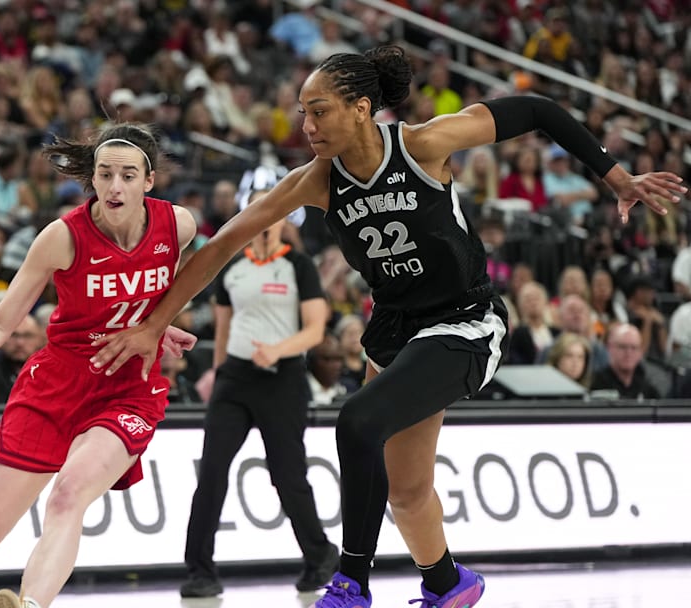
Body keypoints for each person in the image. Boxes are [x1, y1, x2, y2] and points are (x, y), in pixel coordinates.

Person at [91, 46, 684, 608]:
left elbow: (539, 109)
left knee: (358, 421)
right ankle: (448, 583)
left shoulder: (426, 144)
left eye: (318, 112)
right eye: (303, 114)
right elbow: (221, 246)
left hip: (464, 319)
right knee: (406, 491)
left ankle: (350, 580)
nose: (308, 126)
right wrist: (153, 323)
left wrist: (614, 177)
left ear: (360, 109)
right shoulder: (315, 181)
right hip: (394, 329)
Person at [0, 123, 199, 608]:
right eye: (105, 174)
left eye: (128, 176)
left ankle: (29, 604)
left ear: (148, 182)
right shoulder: (61, 238)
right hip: (59, 380)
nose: (115, 187)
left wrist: (154, 323)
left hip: (128, 388)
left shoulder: (179, 225)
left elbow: (175, 281)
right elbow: (2, 324)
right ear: (91, 178)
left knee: (69, 495)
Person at [180, 189, 338, 598]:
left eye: (274, 213)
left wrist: (278, 351)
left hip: (282, 379)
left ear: (283, 219)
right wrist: (218, 375)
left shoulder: (298, 266)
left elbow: (315, 330)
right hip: (235, 380)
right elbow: (223, 331)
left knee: (288, 476)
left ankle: (320, 556)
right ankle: (199, 570)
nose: (266, 220)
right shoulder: (231, 269)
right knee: (212, 472)